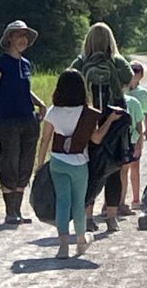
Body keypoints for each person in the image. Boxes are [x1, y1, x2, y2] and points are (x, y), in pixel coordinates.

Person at [36, 69, 121, 258]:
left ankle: (63, 245)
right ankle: (81, 240)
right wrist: (110, 121)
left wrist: (40, 164)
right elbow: (97, 139)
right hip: (79, 163)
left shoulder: (53, 111)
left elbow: (45, 140)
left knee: (62, 202)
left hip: (57, 161)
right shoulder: (88, 114)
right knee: (78, 203)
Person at [70, 22, 133, 232]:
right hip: (113, 116)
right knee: (114, 165)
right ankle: (112, 217)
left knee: (88, 167)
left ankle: (88, 217)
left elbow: (69, 79)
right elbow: (129, 79)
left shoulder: (80, 62)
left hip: (88, 117)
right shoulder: (116, 61)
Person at [0, 20, 46, 225]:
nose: (23, 39)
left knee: (24, 164)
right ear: (9, 38)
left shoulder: (26, 64)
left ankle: (18, 211)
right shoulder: (0, 63)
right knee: (8, 163)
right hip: (7, 120)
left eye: (25, 36)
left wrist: (40, 104)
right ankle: (10, 212)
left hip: (28, 119)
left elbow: (24, 90)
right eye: (18, 35)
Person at [120, 60, 147, 212]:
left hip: (135, 133)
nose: (134, 73)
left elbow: (145, 113)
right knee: (122, 169)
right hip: (125, 134)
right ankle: (120, 199)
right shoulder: (123, 92)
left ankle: (135, 198)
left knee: (135, 166)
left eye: (137, 70)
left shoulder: (142, 93)